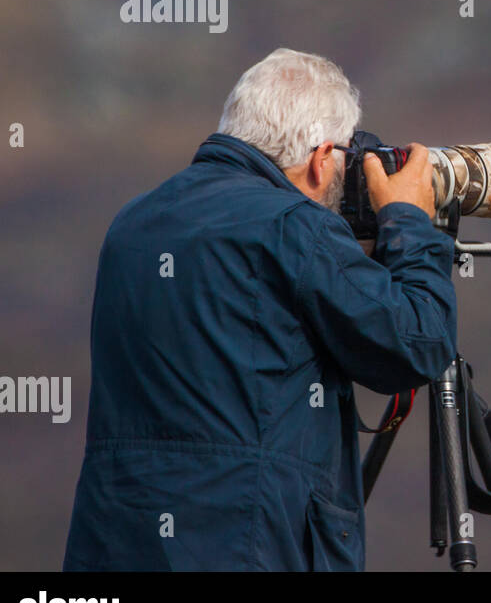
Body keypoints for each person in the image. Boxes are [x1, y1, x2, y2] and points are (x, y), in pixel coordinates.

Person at [63, 48, 457, 571]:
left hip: (115, 543)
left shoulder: (133, 222)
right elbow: (418, 345)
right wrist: (409, 223)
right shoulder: (297, 228)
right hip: (247, 545)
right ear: (321, 159)